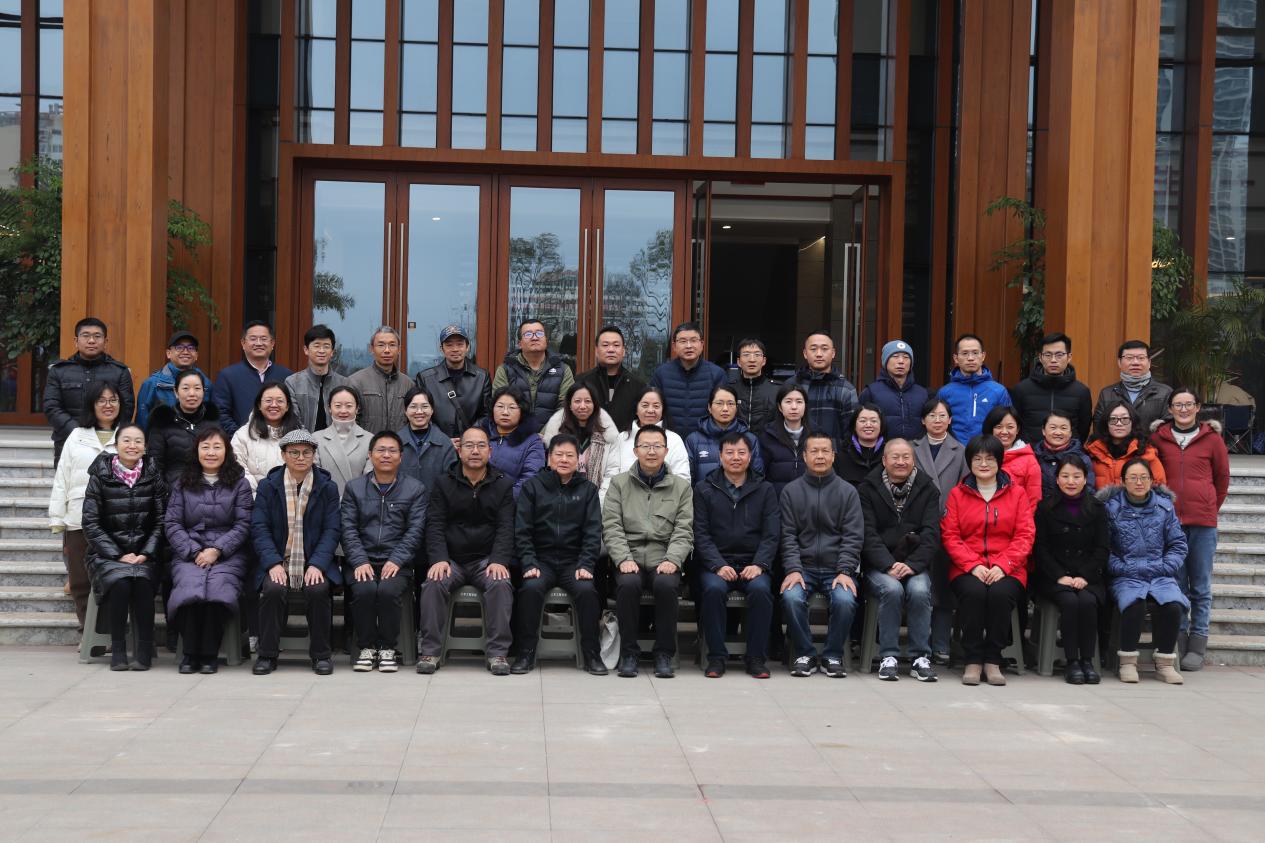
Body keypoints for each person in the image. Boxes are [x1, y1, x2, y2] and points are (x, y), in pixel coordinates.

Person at [419, 426, 517, 675]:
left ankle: (498, 654)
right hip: (452, 560)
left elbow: (506, 527)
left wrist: (498, 560)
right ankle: (430, 652)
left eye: (481, 445)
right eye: (469, 446)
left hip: (486, 561)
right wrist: (439, 558)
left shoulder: (503, 484)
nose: (475, 451)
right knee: (433, 583)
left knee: (501, 583)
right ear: (459, 451)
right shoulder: (443, 483)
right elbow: (435, 524)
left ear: (490, 451)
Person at [941, 434, 1034, 686]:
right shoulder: (957, 494)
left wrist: (1004, 565)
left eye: (990, 459)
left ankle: (993, 659)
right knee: (974, 593)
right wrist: (973, 565)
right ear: (969, 462)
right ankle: (972, 659)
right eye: (977, 459)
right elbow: (950, 535)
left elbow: (1025, 534)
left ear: (1000, 461)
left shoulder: (1017, 493)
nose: (983, 464)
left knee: (1000, 595)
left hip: (1009, 568)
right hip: (967, 568)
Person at [603, 424, 694, 679]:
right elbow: (611, 526)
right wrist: (623, 558)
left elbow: (684, 529)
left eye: (657, 446)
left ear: (666, 451)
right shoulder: (619, 484)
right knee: (628, 584)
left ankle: (664, 653)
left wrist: (673, 559)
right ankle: (629, 653)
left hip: (663, 557)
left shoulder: (681, 487)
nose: (651, 451)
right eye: (645, 446)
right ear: (635, 451)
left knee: (666, 585)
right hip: (628, 556)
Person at [510, 434, 606, 675]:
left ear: (578, 460)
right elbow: (522, 530)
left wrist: (586, 564)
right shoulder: (533, 487)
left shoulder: (588, 490)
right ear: (549, 457)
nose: (564, 459)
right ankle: (525, 652)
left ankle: (592, 653)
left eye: (569, 455)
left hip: (574, 562)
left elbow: (593, 532)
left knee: (587, 591)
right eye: (559, 454)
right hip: (541, 560)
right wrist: (529, 562)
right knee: (530, 589)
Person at [249, 430, 342, 676]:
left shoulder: (327, 487)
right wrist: (273, 563)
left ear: (313, 455)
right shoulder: (268, 486)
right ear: (283, 455)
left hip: (314, 561)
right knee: (273, 589)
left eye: (306, 452)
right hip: (277, 560)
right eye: (294, 453)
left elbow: (332, 530)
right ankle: (267, 654)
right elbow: (259, 528)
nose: (301, 458)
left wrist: (317, 564)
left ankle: (321, 655)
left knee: (318, 589)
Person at [1150, 388, 1230, 672]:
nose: (1183, 409)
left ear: (1198, 407)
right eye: (1177, 405)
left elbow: (1222, 479)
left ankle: (1198, 643)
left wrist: (1209, 506)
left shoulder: (1212, 439)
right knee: (1176, 583)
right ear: (1170, 409)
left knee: (1200, 586)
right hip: (1169, 522)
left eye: (1188, 404)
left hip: (1202, 523)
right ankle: (1179, 639)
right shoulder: (1159, 438)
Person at [165, 427, 254, 674]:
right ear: (196, 451)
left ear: (227, 451)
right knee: (189, 587)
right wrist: (194, 551)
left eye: (217, 447)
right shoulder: (183, 483)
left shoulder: (240, 484)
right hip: (189, 552)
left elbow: (243, 524)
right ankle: (189, 654)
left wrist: (217, 550)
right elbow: (172, 523)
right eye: (205, 447)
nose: (211, 453)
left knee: (217, 589)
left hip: (228, 553)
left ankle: (208, 654)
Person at [80, 424, 167, 670]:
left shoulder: (153, 475)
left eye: (138, 441)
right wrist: (117, 554)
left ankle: (144, 650)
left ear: (145, 447)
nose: (132, 446)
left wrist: (146, 553)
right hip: (106, 555)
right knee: (120, 584)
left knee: (142, 584)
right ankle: (118, 649)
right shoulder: (100, 476)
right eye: (126, 440)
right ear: (116, 445)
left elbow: (162, 521)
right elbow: (90, 523)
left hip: (145, 555)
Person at [693, 431, 779, 679]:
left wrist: (759, 564)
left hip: (753, 563)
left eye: (741, 452)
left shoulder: (765, 489)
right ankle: (716, 657)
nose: (736, 457)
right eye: (729, 453)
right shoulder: (704, 488)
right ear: (720, 456)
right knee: (713, 590)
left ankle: (755, 658)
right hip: (716, 564)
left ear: (750, 457)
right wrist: (717, 565)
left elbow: (772, 534)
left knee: (761, 591)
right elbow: (700, 533)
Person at [779, 431, 864, 678]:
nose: (820, 456)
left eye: (825, 451)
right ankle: (804, 653)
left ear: (833, 456)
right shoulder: (791, 491)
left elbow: (853, 536)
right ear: (804, 456)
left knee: (845, 600)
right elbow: (787, 536)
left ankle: (832, 655)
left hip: (836, 568)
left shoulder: (847, 492)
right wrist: (793, 569)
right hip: (802, 568)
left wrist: (845, 570)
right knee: (791, 597)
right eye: (814, 451)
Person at [342, 431, 428, 673]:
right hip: (361, 561)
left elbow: (415, 530)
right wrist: (359, 561)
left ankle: (388, 647)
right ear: (370, 455)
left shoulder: (415, 489)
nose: (386, 455)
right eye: (381, 450)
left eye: (392, 450)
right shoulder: (354, 488)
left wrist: (397, 559)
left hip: (398, 563)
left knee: (388, 591)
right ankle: (367, 647)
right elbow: (348, 529)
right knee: (365, 590)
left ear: (401, 456)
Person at [1101, 458, 1189, 684]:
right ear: (1123, 481)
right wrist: (1122, 567)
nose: (1139, 482)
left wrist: (1166, 566)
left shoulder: (1164, 508)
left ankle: (1165, 663)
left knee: (1173, 605)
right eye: (1133, 478)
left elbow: (1178, 544)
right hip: (1126, 575)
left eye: (1144, 477)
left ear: (1152, 480)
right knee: (1134, 604)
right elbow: (1103, 549)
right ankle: (1128, 662)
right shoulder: (1111, 509)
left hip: (1159, 573)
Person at [859, 439, 941, 682]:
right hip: (880, 565)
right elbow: (867, 534)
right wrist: (888, 564)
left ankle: (920, 657)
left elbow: (931, 534)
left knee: (919, 590)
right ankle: (889, 656)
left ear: (914, 460)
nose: (901, 462)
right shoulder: (867, 489)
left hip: (914, 564)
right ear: (884, 460)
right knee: (892, 589)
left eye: (906, 457)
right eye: (895, 457)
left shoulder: (928, 489)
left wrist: (912, 565)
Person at [48, 380, 121, 629]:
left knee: (113, 579)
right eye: (102, 400)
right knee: (80, 580)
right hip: (78, 517)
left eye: (113, 400)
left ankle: (109, 632)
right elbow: (62, 478)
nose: (108, 405)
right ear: (92, 404)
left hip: (116, 520)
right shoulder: (77, 436)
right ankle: (87, 631)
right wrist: (57, 517)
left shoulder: (128, 436)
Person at [1034, 453, 1108, 685]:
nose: (1071, 481)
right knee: (1069, 601)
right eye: (1065, 476)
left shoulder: (1097, 508)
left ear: (1085, 479)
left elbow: (1102, 548)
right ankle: (1072, 661)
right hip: (1054, 577)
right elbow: (1040, 548)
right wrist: (1059, 576)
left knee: (1087, 601)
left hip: (1088, 577)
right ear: (1057, 479)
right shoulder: (1045, 508)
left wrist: (1084, 576)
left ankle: (1087, 660)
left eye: (1077, 476)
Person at [912, 397, 968, 665]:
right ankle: (917, 645)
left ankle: (941, 644)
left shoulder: (961, 450)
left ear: (950, 420)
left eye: (942, 415)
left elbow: (965, 489)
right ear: (923, 420)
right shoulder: (911, 448)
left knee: (943, 588)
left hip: (949, 526)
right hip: (917, 525)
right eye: (932, 415)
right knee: (920, 586)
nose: (937, 420)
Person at [44, 317, 134, 463]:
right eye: (85, 336)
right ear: (76, 341)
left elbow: (127, 408)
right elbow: (52, 407)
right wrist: (77, 432)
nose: (91, 341)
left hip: (109, 442)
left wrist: (106, 433)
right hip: (69, 439)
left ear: (105, 342)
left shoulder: (120, 372)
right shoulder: (59, 371)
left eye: (97, 336)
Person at [599, 385, 691, 503]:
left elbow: (683, 479)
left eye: (656, 406)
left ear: (663, 410)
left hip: (664, 506)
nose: (650, 410)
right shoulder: (621, 438)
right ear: (636, 409)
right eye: (645, 405)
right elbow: (611, 477)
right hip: (625, 505)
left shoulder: (674, 439)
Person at [1009, 332, 1093, 444]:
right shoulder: (1022, 389)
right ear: (1040, 357)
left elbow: (1083, 429)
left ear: (1069, 357)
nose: (1053, 360)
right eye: (1048, 355)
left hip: (1068, 453)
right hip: (1030, 452)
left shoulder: (1081, 392)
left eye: (1059, 355)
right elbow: (1015, 424)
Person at [212, 321, 293, 436]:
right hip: (240, 443)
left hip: (279, 441)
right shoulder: (227, 375)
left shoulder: (286, 376)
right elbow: (221, 413)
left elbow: (292, 412)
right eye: (253, 339)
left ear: (272, 343)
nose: (259, 343)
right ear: (243, 343)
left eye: (264, 339)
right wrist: (243, 438)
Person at [650, 321, 727, 441]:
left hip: (706, 440)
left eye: (693, 340)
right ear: (674, 346)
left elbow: (723, 411)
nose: (689, 346)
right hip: (668, 440)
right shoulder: (661, 374)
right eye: (683, 341)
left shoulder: (717, 374)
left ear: (702, 344)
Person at [413, 324, 492, 442]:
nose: (455, 349)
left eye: (460, 344)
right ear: (441, 349)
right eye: (449, 345)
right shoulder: (425, 378)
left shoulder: (482, 377)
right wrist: (443, 441)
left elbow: (486, 415)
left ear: (467, 347)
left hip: (471, 444)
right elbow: (422, 414)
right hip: (436, 444)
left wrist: (469, 438)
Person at [492, 319, 575, 429]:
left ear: (546, 340)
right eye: (528, 334)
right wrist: (521, 436)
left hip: (552, 435)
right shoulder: (505, 369)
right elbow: (500, 407)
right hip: (514, 436)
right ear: (520, 343)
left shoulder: (563, 369)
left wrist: (545, 434)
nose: (535, 338)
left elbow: (565, 408)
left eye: (539, 333)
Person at [147, 369, 222, 486]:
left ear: (203, 391)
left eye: (197, 388)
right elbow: (155, 467)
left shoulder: (213, 422)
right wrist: (166, 492)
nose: (192, 393)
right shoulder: (163, 422)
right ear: (176, 392)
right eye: (185, 388)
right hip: (173, 490)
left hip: (210, 488)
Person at [937, 333, 1011, 443]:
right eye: (965, 353)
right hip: (954, 450)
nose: (970, 358)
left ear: (983, 356)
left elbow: (1007, 425)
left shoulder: (998, 391)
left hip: (987, 450)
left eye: (975, 353)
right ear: (956, 358)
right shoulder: (945, 392)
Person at [685, 384, 764, 485]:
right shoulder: (693, 440)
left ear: (736, 408)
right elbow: (688, 480)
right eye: (719, 403)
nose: (725, 409)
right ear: (709, 407)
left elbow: (757, 477)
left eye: (730, 404)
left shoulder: (750, 439)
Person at [541, 383, 621, 485]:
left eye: (588, 401)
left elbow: (612, 471)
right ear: (570, 405)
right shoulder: (557, 434)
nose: (582, 406)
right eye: (577, 401)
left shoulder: (607, 434)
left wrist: (599, 495)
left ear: (595, 405)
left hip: (598, 492)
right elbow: (551, 470)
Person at [231, 382, 303, 492]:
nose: (274, 405)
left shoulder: (299, 435)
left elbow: (308, 469)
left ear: (287, 406)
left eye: (280, 401)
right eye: (268, 400)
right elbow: (237, 469)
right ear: (259, 405)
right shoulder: (242, 435)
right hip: (253, 497)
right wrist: (262, 494)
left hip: (291, 497)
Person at [577, 324, 647, 432]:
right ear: (596, 351)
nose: (611, 350)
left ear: (624, 351)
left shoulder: (638, 386)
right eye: (605, 345)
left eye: (616, 345)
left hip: (625, 441)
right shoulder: (581, 382)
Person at [136, 331, 211, 430]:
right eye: (179, 347)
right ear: (168, 353)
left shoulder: (206, 384)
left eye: (191, 348)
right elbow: (142, 422)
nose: (185, 352)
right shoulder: (152, 384)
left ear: (196, 355)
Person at [478, 387, 545, 497]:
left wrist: (503, 500)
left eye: (512, 407)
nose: (505, 412)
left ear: (522, 411)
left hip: (509, 502)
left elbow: (530, 478)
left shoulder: (532, 441)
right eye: (500, 406)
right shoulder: (479, 433)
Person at [1093, 340, 1172, 432]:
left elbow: (1168, 430)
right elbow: (1099, 428)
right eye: (1129, 358)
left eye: (1141, 358)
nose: (1135, 362)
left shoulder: (1165, 393)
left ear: (1149, 362)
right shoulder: (1107, 393)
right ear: (1119, 362)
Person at [345, 326, 413, 434]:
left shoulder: (408, 384)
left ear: (399, 349)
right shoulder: (355, 382)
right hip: (367, 444)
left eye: (392, 345)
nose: (387, 350)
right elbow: (348, 421)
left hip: (400, 444)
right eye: (381, 345)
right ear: (371, 349)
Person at [1085, 400, 1167, 489]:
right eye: (1113, 419)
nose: (1119, 423)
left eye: (1125, 419)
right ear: (1106, 423)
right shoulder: (1093, 451)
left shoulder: (1146, 453)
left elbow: (1159, 488)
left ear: (1133, 422)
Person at [793, 331, 858, 442]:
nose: (819, 354)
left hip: (834, 451)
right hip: (798, 451)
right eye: (813, 349)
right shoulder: (793, 385)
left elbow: (852, 432)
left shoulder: (846, 389)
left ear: (833, 353)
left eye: (824, 349)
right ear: (805, 353)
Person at [859, 340, 928, 441]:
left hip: (915, 449)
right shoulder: (871, 391)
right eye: (895, 356)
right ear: (885, 361)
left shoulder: (922, 393)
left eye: (906, 357)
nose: (901, 361)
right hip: (882, 448)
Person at [285, 324, 347, 433]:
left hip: (336, 442)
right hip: (303, 442)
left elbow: (348, 419)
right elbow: (294, 420)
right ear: (306, 350)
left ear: (332, 352)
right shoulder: (292, 383)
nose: (321, 350)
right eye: (317, 346)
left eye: (326, 346)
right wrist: (309, 441)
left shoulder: (343, 383)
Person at [982, 405, 1042, 516]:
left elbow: (1033, 500)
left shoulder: (1029, 460)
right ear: (991, 429)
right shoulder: (980, 455)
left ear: (1017, 429)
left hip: (1015, 522)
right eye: (999, 427)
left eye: (1010, 427)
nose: (1004, 432)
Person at [312, 385, 372, 496]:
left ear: (357, 409)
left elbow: (370, 478)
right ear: (329, 408)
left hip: (358, 502)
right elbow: (315, 477)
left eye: (349, 406)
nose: (343, 411)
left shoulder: (370, 439)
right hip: (326, 501)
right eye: (338, 406)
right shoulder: (316, 439)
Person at [397, 386, 459, 492]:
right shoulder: (395, 442)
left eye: (425, 406)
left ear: (432, 410)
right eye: (413, 407)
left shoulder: (444, 443)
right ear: (405, 411)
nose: (419, 411)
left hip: (436, 501)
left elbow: (451, 482)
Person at [757, 383, 809, 496]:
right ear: (780, 407)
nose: (794, 407)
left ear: (805, 406)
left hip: (809, 501)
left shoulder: (816, 435)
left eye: (799, 402)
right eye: (788, 401)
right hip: (776, 500)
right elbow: (759, 475)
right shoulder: (768, 436)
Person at [1031, 410, 1096, 497]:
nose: (1058, 432)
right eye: (1053, 427)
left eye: (1063, 428)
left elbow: (1089, 490)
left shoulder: (1082, 459)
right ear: (1043, 430)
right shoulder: (1033, 457)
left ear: (1070, 432)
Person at [729, 338, 780, 435]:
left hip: (767, 442)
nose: (752, 360)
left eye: (757, 355)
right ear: (739, 362)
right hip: (736, 442)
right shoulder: (730, 389)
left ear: (764, 361)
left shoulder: (777, 390)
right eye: (746, 355)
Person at [834, 403, 886, 485]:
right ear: (854, 426)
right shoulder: (841, 455)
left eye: (873, 421)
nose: (868, 425)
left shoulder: (889, 454)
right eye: (862, 421)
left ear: (881, 425)